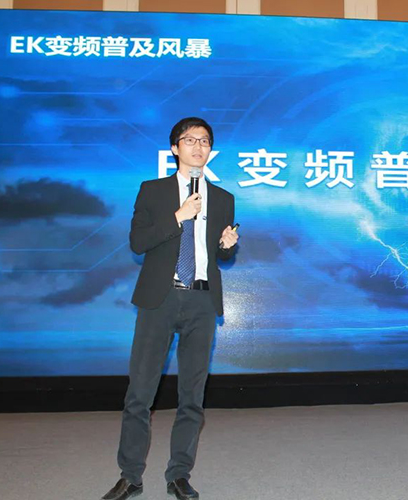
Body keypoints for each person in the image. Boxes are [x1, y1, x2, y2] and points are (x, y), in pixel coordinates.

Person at [102, 117, 238, 500]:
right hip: (159, 298)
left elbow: (219, 256)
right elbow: (138, 242)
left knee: (192, 396)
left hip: (201, 299)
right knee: (140, 393)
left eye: (205, 141)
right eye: (190, 140)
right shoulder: (153, 190)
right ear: (175, 148)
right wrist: (179, 216)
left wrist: (226, 246)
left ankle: (179, 474)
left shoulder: (223, 198)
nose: (198, 146)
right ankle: (130, 476)